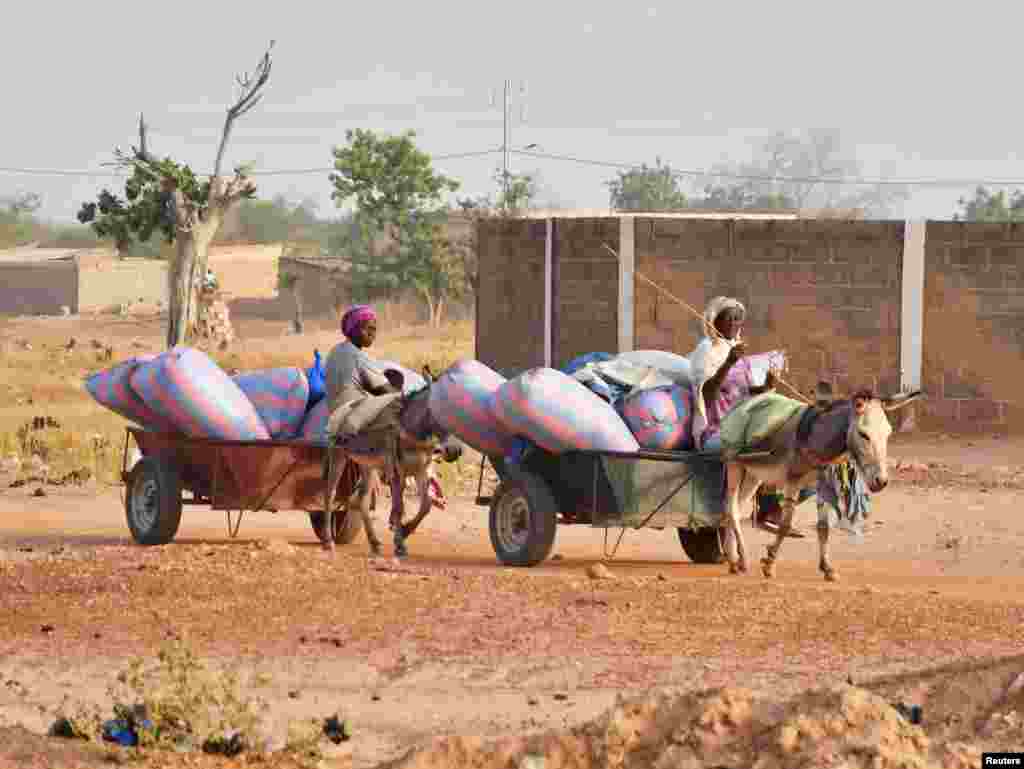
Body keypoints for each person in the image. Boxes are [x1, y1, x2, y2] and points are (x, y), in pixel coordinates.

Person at [688, 296, 777, 452]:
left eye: (737, 319)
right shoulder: (707, 349)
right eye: (728, 318)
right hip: (714, 431)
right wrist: (728, 363)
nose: (733, 323)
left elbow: (742, 393)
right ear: (715, 320)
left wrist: (765, 386)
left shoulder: (736, 350)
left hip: (739, 427)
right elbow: (706, 394)